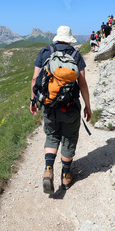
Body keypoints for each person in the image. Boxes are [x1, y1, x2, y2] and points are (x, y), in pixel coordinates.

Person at [30, 26, 92, 194]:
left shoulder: (45, 52)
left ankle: (48, 170)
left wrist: (33, 100)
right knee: (69, 137)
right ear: (70, 39)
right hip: (71, 107)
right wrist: (87, 105)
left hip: (49, 106)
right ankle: (65, 175)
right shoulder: (76, 55)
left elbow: (36, 78)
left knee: (52, 135)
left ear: (57, 38)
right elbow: (83, 84)